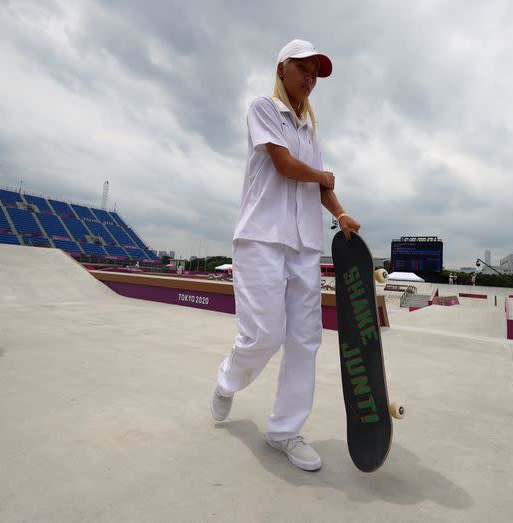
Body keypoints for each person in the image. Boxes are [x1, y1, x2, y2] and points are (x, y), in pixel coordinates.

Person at [210, 40, 360, 472]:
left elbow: (321, 186)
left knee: (304, 342)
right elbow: (284, 165)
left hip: (304, 245)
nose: (310, 79)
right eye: (305, 69)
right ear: (283, 67)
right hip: (261, 238)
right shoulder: (263, 109)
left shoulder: (310, 131)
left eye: (316, 74)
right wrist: (323, 175)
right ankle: (227, 381)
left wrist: (341, 213)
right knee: (263, 336)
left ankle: (284, 430)